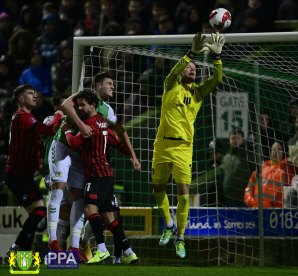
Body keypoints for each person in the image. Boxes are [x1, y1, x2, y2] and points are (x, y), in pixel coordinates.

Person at [151, 32, 224, 259]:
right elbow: (173, 71)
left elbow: (217, 80)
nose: (192, 69)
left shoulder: (198, 93)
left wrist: (217, 58)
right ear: (181, 69)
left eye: (194, 68)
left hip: (184, 147)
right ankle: (168, 224)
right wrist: (191, 53)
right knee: (158, 189)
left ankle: (180, 237)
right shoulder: (170, 85)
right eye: (188, 67)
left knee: (183, 192)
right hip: (162, 145)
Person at [61, 70, 141, 264]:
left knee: (89, 209)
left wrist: (65, 131)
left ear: (93, 105)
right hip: (106, 173)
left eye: (82, 105)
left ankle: (102, 249)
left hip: (96, 174)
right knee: (109, 218)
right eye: (78, 105)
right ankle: (129, 252)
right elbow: (117, 141)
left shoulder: (90, 125)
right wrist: (131, 155)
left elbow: (73, 143)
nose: (79, 108)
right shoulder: (104, 123)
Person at [5, 84, 63, 256]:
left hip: (23, 175)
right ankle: (16, 249)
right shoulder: (23, 117)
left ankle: (22, 254)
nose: (35, 96)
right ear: (21, 99)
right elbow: (49, 130)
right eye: (30, 94)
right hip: (18, 175)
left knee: (35, 213)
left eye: (35, 93)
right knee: (38, 210)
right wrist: (59, 115)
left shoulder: (25, 117)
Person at [244, 141, 293, 208]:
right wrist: (250, 200)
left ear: (284, 152)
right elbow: (249, 186)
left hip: (275, 212)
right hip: (256, 209)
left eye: (279, 149)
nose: (276, 152)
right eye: (273, 149)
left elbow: (289, 192)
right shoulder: (261, 167)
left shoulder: (288, 169)